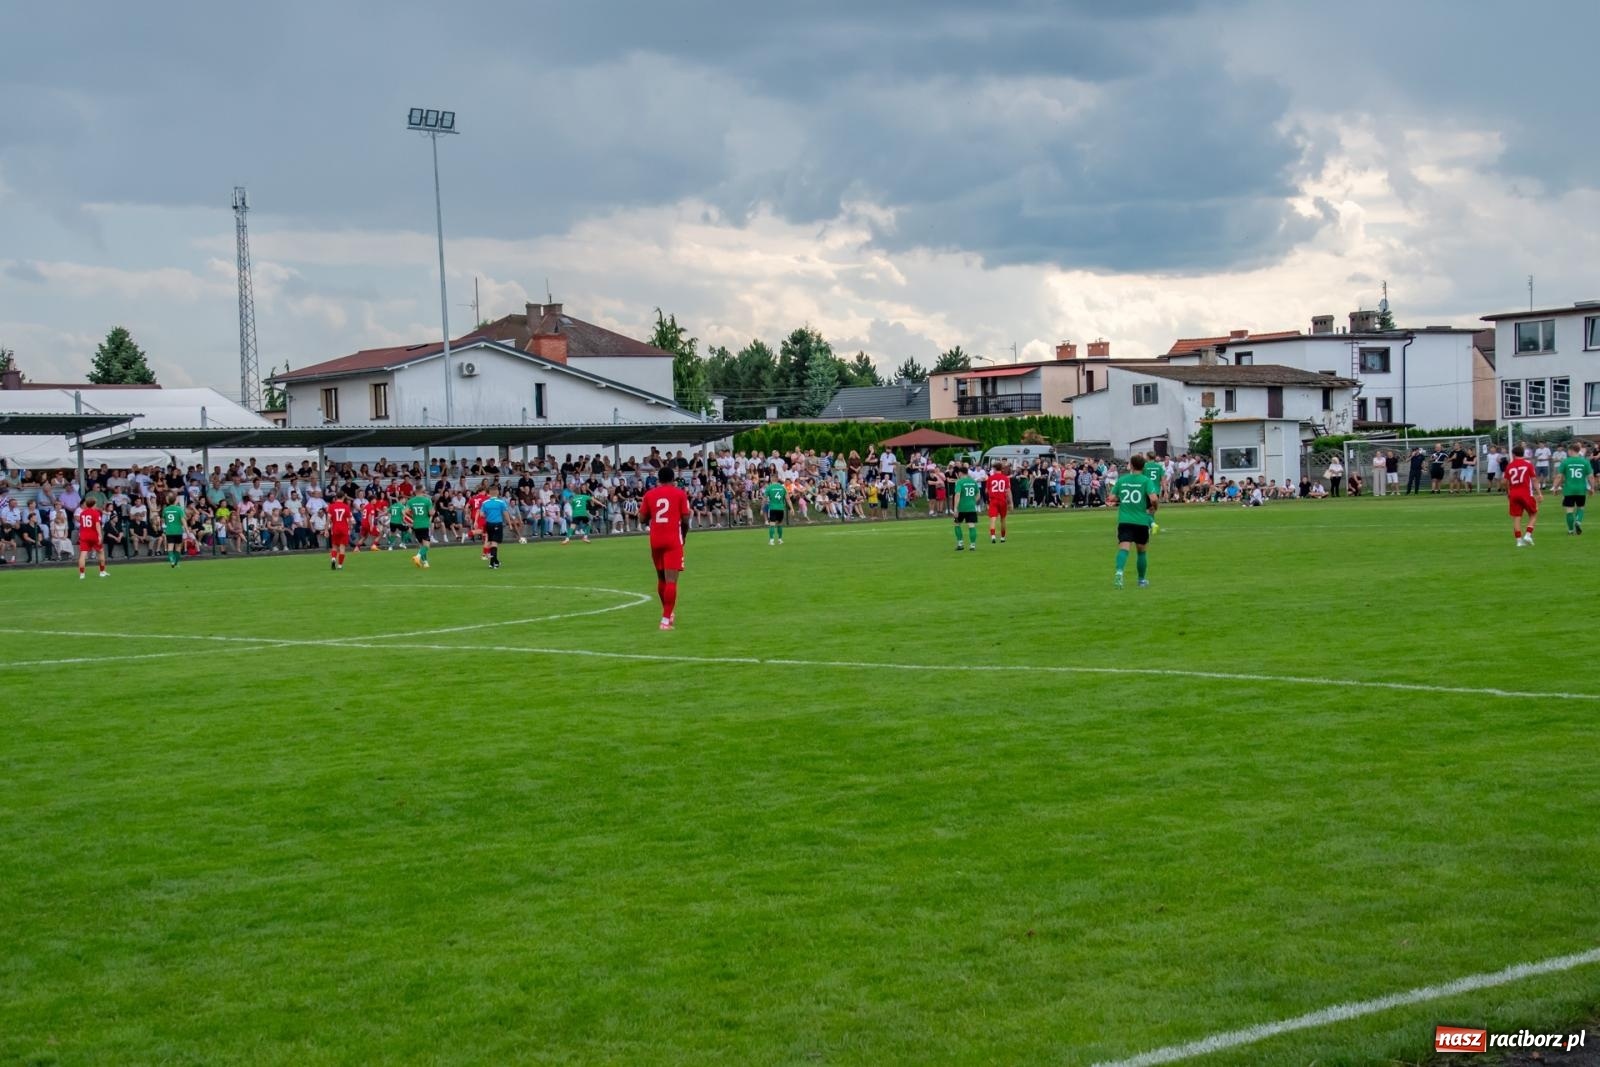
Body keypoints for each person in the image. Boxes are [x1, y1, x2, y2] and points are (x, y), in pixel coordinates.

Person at [642, 466, 691, 630]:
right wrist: (683, 535)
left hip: (655, 540)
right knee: (671, 581)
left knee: (661, 579)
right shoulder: (679, 494)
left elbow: (642, 518)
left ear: (659, 479)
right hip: (672, 540)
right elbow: (685, 518)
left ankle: (668, 613)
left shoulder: (650, 494)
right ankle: (665, 620)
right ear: (673, 479)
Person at [1113, 452, 1156, 588]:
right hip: (1141, 521)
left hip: (1125, 520)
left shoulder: (1122, 480)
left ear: (1130, 465)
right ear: (1143, 467)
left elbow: (1112, 497)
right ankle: (1141, 580)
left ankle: (1119, 573)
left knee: (1124, 548)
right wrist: (1154, 508)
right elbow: (1153, 498)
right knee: (1141, 551)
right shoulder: (1145, 481)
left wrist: (1118, 498)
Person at [1505, 445, 1541, 546]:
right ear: (1523, 454)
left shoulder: (1510, 466)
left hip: (1513, 494)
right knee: (1533, 514)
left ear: (1513, 454)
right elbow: (1534, 479)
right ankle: (1528, 535)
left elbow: (1505, 481)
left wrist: (1508, 491)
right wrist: (1539, 493)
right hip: (1526, 493)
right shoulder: (1528, 464)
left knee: (1517, 517)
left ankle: (1519, 541)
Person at [1553, 444, 1593, 535]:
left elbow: (1560, 476)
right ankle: (1578, 522)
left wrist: (1555, 487)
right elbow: (1590, 476)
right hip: (1581, 489)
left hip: (1569, 490)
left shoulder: (1565, 462)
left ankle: (1571, 531)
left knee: (1569, 510)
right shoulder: (1585, 462)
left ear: (1571, 450)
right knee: (1581, 507)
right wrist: (1592, 488)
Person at [951, 464, 980, 551]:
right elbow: (978, 494)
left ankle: (960, 544)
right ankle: (972, 545)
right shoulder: (973, 481)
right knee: (971, 525)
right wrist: (973, 501)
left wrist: (955, 508)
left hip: (961, 508)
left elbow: (957, 495)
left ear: (960, 473)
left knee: (957, 524)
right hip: (971, 507)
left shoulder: (959, 482)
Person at [76, 499, 107, 579]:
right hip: (93, 535)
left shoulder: (82, 513)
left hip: (84, 536)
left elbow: (82, 524)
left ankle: (82, 574)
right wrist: (100, 535)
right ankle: (102, 572)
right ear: (93, 504)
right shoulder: (96, 513)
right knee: (101, 552)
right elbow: (97, 525)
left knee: (83, 555)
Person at [479, 486, 510, 568]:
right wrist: (509, 523)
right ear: (497, 492)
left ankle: (495, 561)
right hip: (497, 524)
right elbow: (505, 513)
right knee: (494, 543)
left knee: (491, 542)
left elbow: (481, 514)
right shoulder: (501, 502)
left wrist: (488, 515)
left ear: (489, 492)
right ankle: (492, 563)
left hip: (489, 524)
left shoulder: (485, 503)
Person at [406, 490, 434, 568]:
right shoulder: (427, 501)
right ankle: (417, 557)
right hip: (424, 525)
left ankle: (425, 563)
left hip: (416, 525)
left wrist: (413, 515)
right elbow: (431, 513)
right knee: (427, 546)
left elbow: (405, 511)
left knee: (422, 545)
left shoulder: (411, 501)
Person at [326, 491, 353, 570]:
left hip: (335, 528)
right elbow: (350, 519)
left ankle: (333, 559)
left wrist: (326, 530)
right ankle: (340, 565)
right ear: (343, 497)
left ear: (336, 497)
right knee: (342, 548)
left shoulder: (331, 506)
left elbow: (328, 519)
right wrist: (350, 528)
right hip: (344, 529)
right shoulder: (346, 507)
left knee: (334, 546)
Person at [986, 462, 1010, 543]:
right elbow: (1007, 491)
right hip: (1002, 500)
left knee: (993, 518)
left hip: (993, 500)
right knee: (1003, 519)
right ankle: (1002, 537)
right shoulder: (1005, 478)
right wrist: (1010, 502)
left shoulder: (990, 478)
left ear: (995, 469)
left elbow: (987, 490)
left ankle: (993, 536)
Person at [161, 492, 187, 568]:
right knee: (178, 547)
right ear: (175, 501)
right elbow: (183, 520)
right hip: (178, 531)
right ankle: (176, 562)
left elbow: (163, 521)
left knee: (170, 547)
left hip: (169, 531)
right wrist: (187, 530)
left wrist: (164, 529)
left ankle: (172, 561)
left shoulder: (165, 510)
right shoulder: (179, 509)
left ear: (168, 501)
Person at [762, 476, 787, 545]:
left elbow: (764, 499)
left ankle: (771, 540)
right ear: (777, 479)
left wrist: (762, 508)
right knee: (779, 524)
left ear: (772, 479)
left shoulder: (769, 488)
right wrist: (792, 508)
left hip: (773, 508)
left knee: (772, 524)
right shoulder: (782, 488)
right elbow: (787, 499)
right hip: (781, 508)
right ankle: (780, 539)